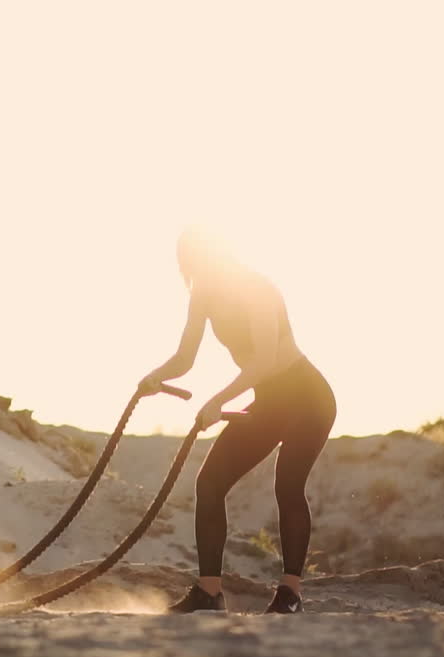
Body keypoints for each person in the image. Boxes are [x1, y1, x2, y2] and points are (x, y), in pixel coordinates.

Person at [140, 229, 336, 614]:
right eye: (190, 266)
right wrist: (155, 377)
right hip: (269, 402)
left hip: (308, 398)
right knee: (210, 483)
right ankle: (209, 592)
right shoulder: (203, 296)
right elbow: (185, 357)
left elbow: (263, 360)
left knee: (288, 484)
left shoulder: (257, 288)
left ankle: (290, 593)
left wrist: (217, 401)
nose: (196, 272)